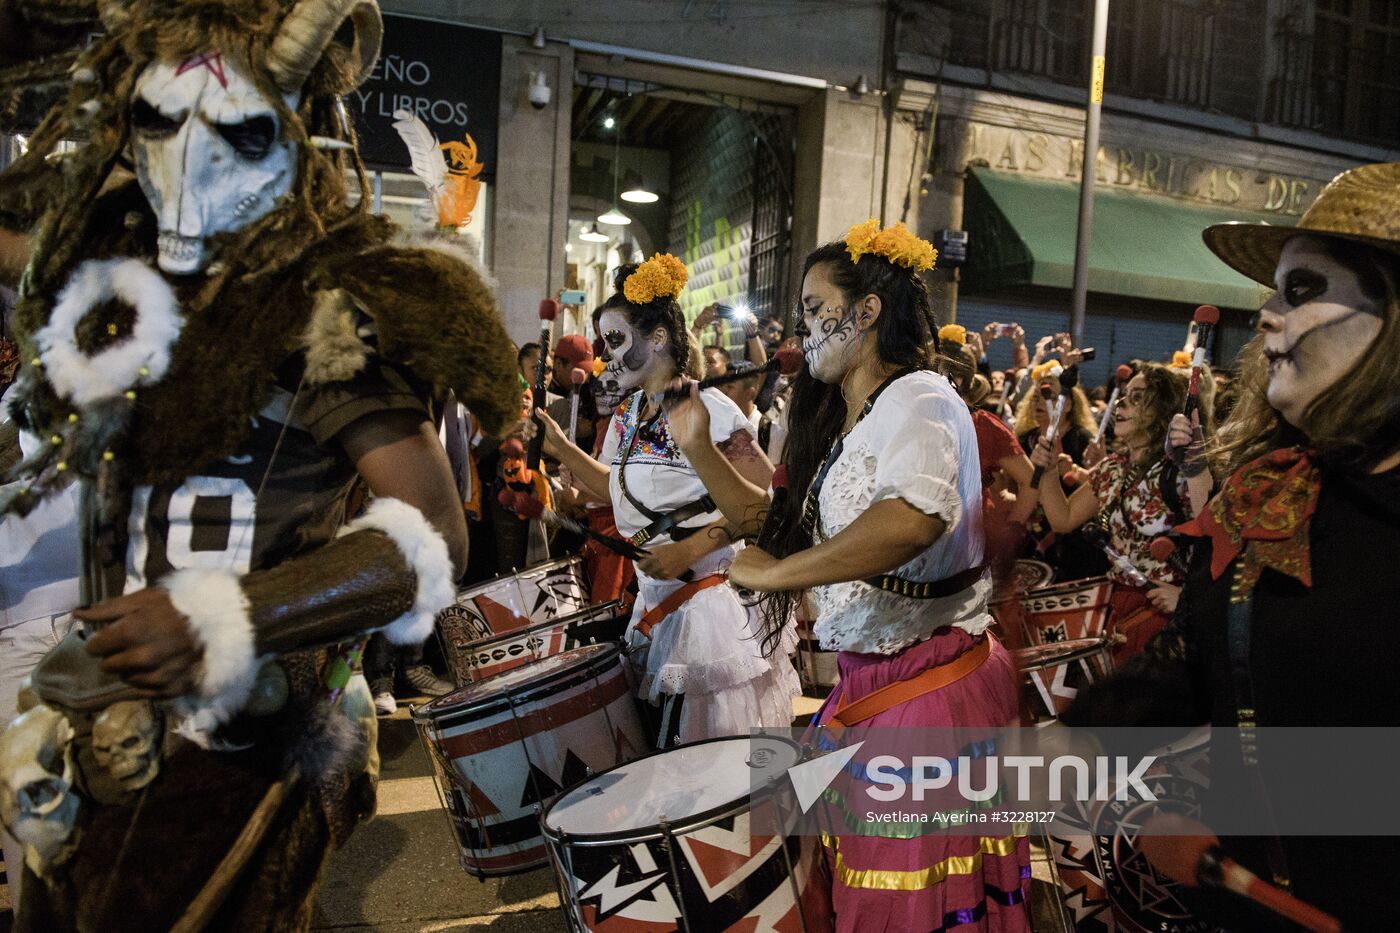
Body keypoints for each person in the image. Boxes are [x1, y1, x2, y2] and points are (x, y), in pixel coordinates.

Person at [0, 2, 519, 929]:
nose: (186, 168)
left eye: (232, 133)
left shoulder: (330, 306)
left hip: (240, 743)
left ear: (290, 132)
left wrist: (222, 618)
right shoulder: (126, 276)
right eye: (160, 122)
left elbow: (438, 533)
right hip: (99, 723)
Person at [1065, 160, 1400, 933]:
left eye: (1303, 290)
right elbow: (1203, 662)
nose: (1267, 317)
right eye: (1272, 291)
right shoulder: (1275, 489)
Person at [667, 220, 1030, 932]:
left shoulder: (921, 396)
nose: (803, 326)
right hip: (874, 688)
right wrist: (696, 445)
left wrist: (778, 577)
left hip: (926, 696)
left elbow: (911, 519)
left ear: (866, 312)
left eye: (813, 306)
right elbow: (772, 524)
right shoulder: (851, 420)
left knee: (894, 906)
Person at [536, 254, 798, 747]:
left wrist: (692, 548)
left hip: (709, 614)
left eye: (616, 341)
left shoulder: (712, 408)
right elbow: (613, 487)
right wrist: (557, 445)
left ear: (657, 339)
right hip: (655, 611)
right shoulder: (630, 412)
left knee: (716, 782)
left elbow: (769, 511)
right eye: (604, 343)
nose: (607, 356)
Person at [1031, 363, 1214, 658]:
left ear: (1163, 409)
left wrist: (1187, 596)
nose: (1121, 403)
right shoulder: (1113, 467)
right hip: (1119, 606)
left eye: (1137, 397)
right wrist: (1049, 470)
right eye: (1124, 395)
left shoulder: (1184, 468)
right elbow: (1062, 519)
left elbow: (1216, 537)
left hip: (1168, 614)